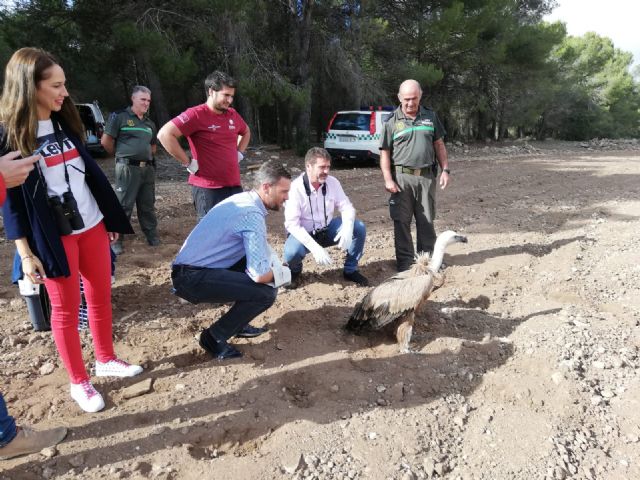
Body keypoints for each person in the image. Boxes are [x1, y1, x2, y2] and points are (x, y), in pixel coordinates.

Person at [0, 47, 143, 414]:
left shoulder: (66, 122)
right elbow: (10, 203)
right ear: (30, 88)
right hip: (54, 237)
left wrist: (109, 220)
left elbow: (89, 176)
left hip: (92, 225)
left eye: (65, 84)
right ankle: (79, 381)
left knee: (99, 295)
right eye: (56, 85)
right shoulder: (10, 137)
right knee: (64, 309)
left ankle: (106, 358)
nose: (65, 93)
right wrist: (24, 252)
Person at [171, 161, 291, 359]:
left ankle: (239, 324)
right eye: (283, 191)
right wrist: (283, 274)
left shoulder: (245, 200)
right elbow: (260, 274)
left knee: (253, 263)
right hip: (192, 278)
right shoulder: (252, 214)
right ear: (267, 187)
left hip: (191, 270)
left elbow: (257, 254)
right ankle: (213, 337)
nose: (286, 197)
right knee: (266, 292)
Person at [157, 71, 251, 219]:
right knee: (211, 235)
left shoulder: (232, 114)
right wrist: (187, 162)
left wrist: (239, 152)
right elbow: (164, 134)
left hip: (233, 185)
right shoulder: (195, 114)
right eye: (226, 95)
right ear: (211, 91)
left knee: (235, 230)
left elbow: (246, 131)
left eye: (232, 96)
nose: (230, 100)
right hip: (208, 188)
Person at [379, 79, 451, 272]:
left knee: (426, 220)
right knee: (401, 221)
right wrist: (388, 179)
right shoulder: (391, 122)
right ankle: (405, 263)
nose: (411, 103)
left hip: (427, 177)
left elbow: (439, 145)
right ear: (399, 98)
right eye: (407, 99)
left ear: (420, 96)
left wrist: (445, 169)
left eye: (414, 99)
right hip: (401, 178)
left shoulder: (430, 117)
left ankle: (427, 259)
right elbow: (385, 153)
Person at [283, 147, 368, 289]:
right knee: (292, 252)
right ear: (308, 166)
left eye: (328, 167)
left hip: (327, 230)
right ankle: (295, 272)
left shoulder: (332, 182)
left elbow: (346, 207)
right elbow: (292, 225)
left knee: (358, 227)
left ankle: (350, 270)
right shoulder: (295, 189)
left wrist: (347, 227)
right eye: (322, 167)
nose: (326, 171)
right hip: (305, 234)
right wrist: (315, 248)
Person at [101, 85, 159, 254]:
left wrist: (144, 155)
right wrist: (122, 157)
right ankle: (117, 240)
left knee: (147, 204)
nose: (146, 103)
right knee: (123, 205)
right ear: (133, 99)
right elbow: (106, 142)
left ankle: (152, 235)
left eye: (148, 100)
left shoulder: (149, 123)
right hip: (127, 168)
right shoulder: (120, 117)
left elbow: (153, 146)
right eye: (143, 99)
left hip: (147, 169)